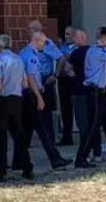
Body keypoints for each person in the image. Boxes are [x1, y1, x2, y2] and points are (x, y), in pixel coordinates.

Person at [19, 31, 72, 170]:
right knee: (43, 129)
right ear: (37, 41)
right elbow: (31, 77)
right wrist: (39, 97)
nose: (45, 45)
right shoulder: (31, 55)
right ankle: (55, 159)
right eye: (43, 42)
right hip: (33, 94)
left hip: (30, 93)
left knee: (26, 130)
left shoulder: (24, 52)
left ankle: (18, 161)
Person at [0, 34, 33, 181]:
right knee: (19, 135)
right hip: (17, 99)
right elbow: (25, 82)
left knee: (0, 136)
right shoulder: (18, 59)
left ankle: (0, 171)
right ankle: (27, 167)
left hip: (3, 100)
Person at [74, 26, 106, 168]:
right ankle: (81, 157)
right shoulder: (97, 51)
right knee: (93, 127)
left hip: (100, 93)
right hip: (93, 92)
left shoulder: (99, 51)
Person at [68, 29, 102, 163]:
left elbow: (69, 69)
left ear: (82, 38)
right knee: (94, 124)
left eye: (75, 37)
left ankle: (84, 154)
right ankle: (97, 152)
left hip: (79, 92)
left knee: (83, 126)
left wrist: (69, 70)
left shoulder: (76, 52)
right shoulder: (94, 52)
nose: (74, 40)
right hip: (94, 92)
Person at [28, 20, 65, 144]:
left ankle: (50, 138)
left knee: (46, 112)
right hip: (33, 78)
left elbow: (60, 58)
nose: (28, 31)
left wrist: (55, 75)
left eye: (30, 29)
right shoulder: (30, 43)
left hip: (45, 79)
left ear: (36, 30)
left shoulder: (47, 43)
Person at [57, 25, 77, 146]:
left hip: (73, 79)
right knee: (65, 108)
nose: (66, 36)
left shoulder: (77, 48)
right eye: (65, 34)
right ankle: (66, 135)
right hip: (63, 79)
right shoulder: (62, 47)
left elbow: (69, 58)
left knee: (74, 107)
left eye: (68, 34)